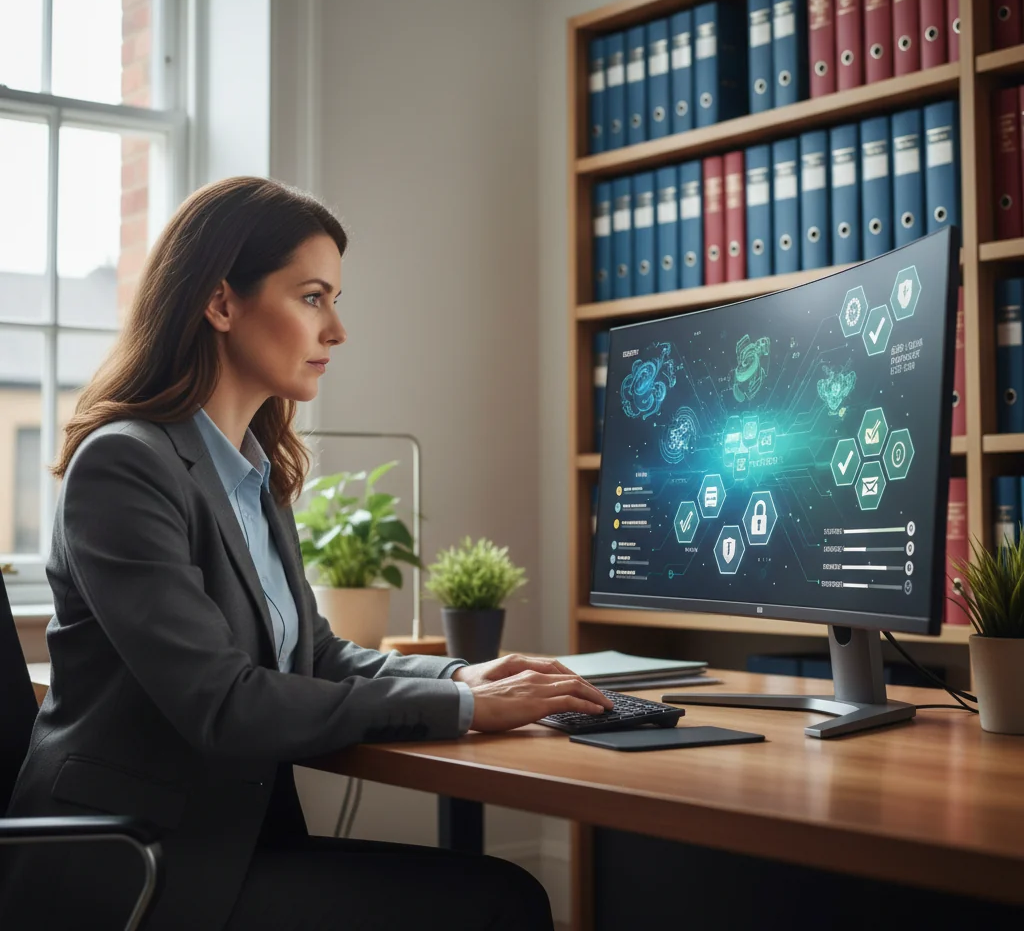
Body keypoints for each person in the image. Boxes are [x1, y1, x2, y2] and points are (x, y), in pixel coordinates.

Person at [2, 176, 612, 930]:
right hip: (133, 868)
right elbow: (223, 703)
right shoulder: (125, 464)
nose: (338, 331)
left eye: (334, 300)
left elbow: (314, 656)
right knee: (501, 901)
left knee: (495, 895)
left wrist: (462, 675)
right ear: (221, 303)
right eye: (313, 297)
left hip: (226, 845)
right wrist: (463, 708)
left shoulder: (254, 470)